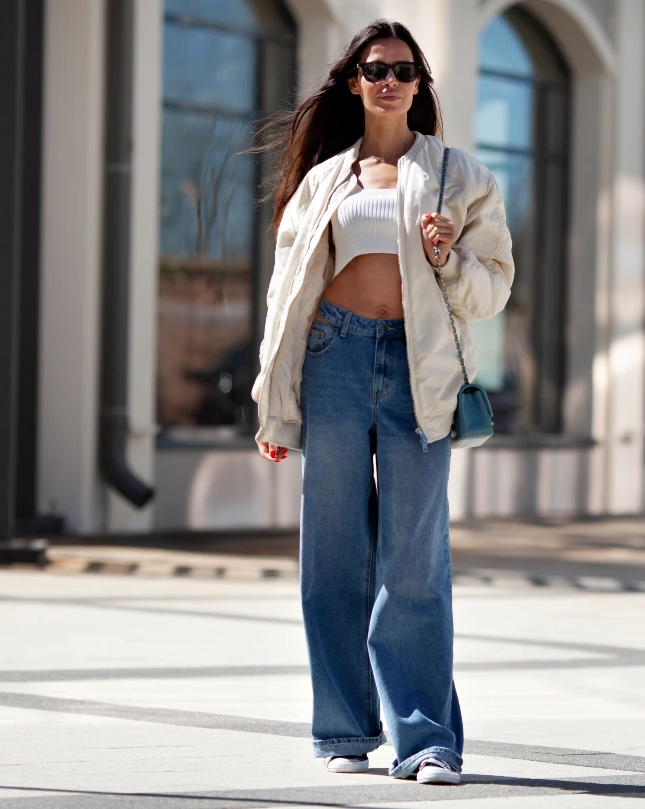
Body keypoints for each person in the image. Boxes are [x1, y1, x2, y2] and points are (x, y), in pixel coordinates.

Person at [251, 19, 514, 786]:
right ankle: (341, 728)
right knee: (330, 554)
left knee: (414, 562)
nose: (389, 80)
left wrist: (446, 253)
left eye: (404, 70)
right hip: (332, 358)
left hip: (418, 368)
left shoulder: (460, 176)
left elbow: (492, 287)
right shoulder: (324, 179)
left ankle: (427, 740)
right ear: (354, 81)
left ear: (420, 85)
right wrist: (275, 402)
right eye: (375, 68)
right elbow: (285, 295)